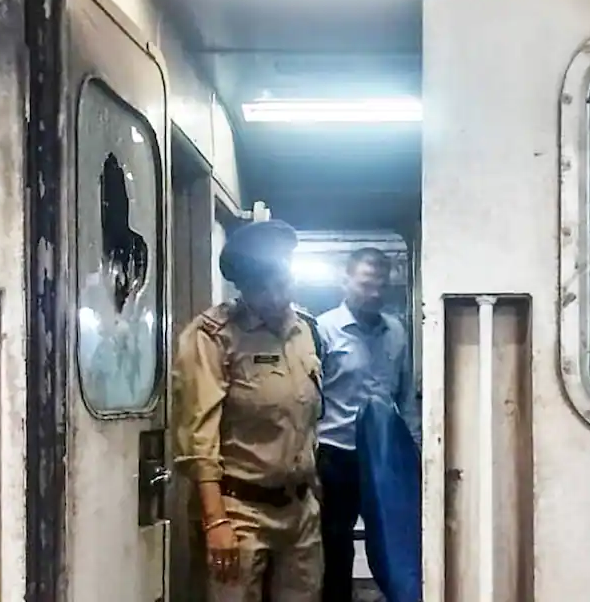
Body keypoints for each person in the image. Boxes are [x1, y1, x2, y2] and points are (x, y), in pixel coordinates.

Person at [173, 220, 324, 602]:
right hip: (238, 511)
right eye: (262, 286)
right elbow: (199, 436)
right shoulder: (214, 335)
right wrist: (215, 522)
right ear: (243, 287)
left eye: (282, 281)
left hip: (300, 512)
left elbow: (305, 420)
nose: (276, 295)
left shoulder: (305, 330)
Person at [315, 248, 421, 602]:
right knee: (336, 543)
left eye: (381, 286)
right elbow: (308, 399)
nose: (374, 293)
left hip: (386, 456)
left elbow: (405, 396)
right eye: (365, 284)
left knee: (394, 540)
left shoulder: (396, 331)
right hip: (337, 454)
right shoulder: (323, 329)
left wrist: (417, 450)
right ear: (345, 281)